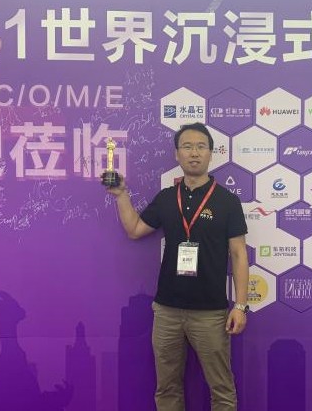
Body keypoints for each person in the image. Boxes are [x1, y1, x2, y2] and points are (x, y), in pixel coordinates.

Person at [107, 122, 250, 411]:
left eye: (200, 147)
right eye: (187, 146)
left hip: (211, 313)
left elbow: (238, 254)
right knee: (167, 388)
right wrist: (121, 195)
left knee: (222, 390)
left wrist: (240, 305)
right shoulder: (166, 198)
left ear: (210, 153)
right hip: (167, 311)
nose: (194, 153)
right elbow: (134, 229)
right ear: (177, 154)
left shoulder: (227, 201)